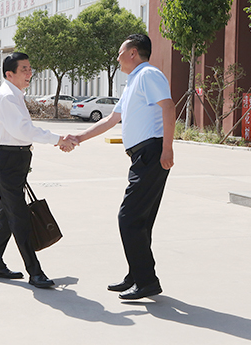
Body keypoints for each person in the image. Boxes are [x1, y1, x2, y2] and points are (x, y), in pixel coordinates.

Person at [72, 34, 175, 300]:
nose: (117, 57)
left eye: (120, 52)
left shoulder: (148, 75)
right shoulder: (133, 81)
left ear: (132, 53)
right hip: (142, 156)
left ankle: (147, 281)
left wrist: (167, 147)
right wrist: (79, 138)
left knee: (128, 219)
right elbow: (111, 120)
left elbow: (168, 107)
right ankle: (136, 276)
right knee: (140, 222)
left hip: (152, 153)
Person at [0, 52, 75, 289]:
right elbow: (23, 131)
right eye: (23, 69)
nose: (29, 73)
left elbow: (24, 131)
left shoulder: (14, 95)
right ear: (9, 74)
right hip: (8, 162)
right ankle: (34, 272)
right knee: (19, 218)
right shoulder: (7, 97)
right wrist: (58, 139)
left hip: (15, 161)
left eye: (29, 68)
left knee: (7, 216)